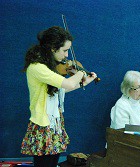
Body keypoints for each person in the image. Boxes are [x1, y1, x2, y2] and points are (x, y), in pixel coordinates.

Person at [20, 26, 97, 167]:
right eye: (65, 50)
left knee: (53, 162)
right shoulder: (37, 67)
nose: (67, 55)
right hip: (43, 124)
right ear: (52, 48)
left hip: (53, 122)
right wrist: (80, 73)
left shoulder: (49, 66)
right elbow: (67, 84)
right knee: (44, 164)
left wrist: (85, 82)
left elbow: (60, 90)